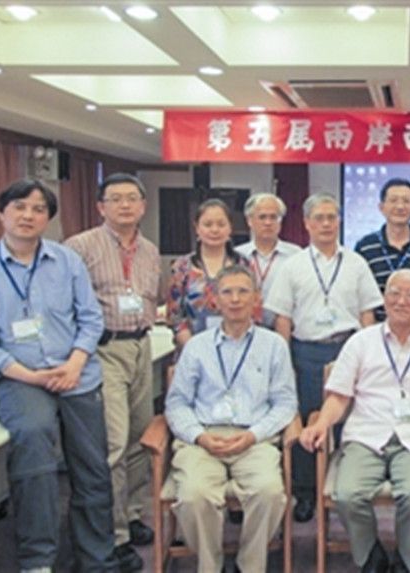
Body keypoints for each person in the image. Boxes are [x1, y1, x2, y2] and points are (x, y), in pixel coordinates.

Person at [0, 179, 117, 572]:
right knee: (34, 451)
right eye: (19, 207)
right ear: (1, 213)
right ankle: (38, 559)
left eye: (38, 209)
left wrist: (74, 364)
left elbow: (91, 319)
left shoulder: (67, 261)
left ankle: (97, 558)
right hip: (19, 378)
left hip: (76, 373)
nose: (28, 215)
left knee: (93, 468)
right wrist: (33, 377)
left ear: (48, 219)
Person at [300, 269, 410, 573]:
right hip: (366, 435)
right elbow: (338, 396)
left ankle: (405, 562)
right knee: (348, 495)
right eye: (394, 293)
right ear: (384, 299)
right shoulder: (360, 342)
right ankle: (370, 556)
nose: (402, 301)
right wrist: (321, 423)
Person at [164, 265, 298, 573]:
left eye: (243, 292)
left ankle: (249, 565)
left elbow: (285, 403)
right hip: (203, 438)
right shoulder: (197, 347)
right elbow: (177, 403)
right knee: (194, 496)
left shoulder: (274, 345)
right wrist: (199, 436)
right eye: (227, 292)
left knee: (269, 493)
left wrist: (253, 435)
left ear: (256, 298)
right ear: (215, 300)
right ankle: (210, 566)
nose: (235, 299)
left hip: (255, 439)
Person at [267, 193, 383, 523]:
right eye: (319, 218)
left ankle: (347, 489)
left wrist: (370, 356)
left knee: (350, 421)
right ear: (306, 223)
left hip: (348, 348)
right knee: (307, 420)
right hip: (307, 351)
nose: (326, 224)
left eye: (332, 217)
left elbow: (367, 313)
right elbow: (283, 319)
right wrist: (284, 362)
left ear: (340, 221)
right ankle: (306, 492)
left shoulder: (356, 263)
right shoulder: (292, 266)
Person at [64, 173, 160, 571]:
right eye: (115, 198)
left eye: (132, 198)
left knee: (140, 437)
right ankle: (114, 533)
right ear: (101, 206)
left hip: (141, 345)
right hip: (103, 350)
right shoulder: (79, 247)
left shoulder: (150, 250)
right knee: (114, 444)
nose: (124, 205)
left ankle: (133, 512)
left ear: (143, 206)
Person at [167, 198, 253, 349]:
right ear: (197, 228)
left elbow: (254, 310)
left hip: (237, 347)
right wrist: (195, 349)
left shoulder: (244, 264)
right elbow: (175, 316)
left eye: (221, 224)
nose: (215, 230)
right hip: (192, 348)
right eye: (208, 224)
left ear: (230, 228)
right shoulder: (182, 267)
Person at [354, 178, 410, 323]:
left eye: (406, 201)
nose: (400, 206)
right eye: (393, 200)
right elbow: (361, 295)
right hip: (377, 326)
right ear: (381, 207)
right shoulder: (365, 247)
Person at [234, 192, 300, 328]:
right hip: (244, 328)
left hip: (285, 327)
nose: (268, 223)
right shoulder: (237, 255)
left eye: (273, 217)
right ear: (249, 221)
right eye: (262, 217)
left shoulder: (295, 255)